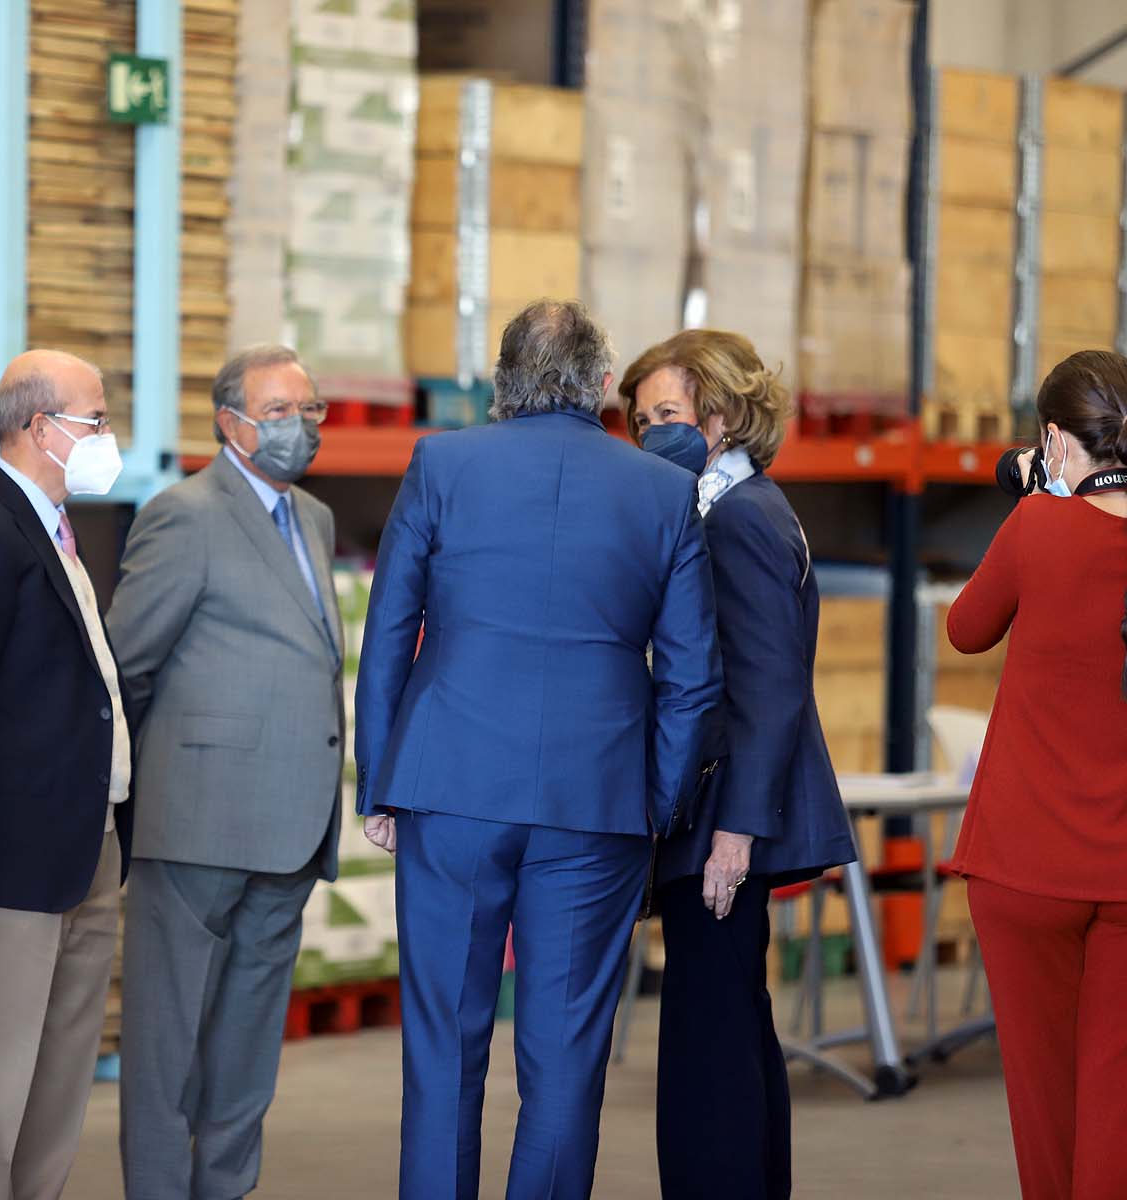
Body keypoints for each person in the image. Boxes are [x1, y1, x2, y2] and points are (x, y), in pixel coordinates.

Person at [355, 299, 721, 1200]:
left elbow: (388, 628)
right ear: (603, 386)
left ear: (500, 384)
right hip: (594, 806)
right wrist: (656, 808)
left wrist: (380, 784)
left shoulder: (442, 462)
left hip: (450, 789)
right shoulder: (663, 491)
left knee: (443, 1049)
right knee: (564, 1063)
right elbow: (691, 680)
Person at [621, 330, 858, 1199]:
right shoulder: (730, 508)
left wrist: (735, 832)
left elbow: (769, 688)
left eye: (670, 416)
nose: (650, 435)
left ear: (718, 418)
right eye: (642, 420)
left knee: (706, 1039)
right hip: (721, 809)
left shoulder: (741, 518)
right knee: (731, 1024)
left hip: (724, 819)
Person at [108, 344, 344, 1200]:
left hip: (289, 828)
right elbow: (127, 664)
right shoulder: (185, 513)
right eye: (279, 411)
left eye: (309, 410)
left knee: (245, 1050)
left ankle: (226, 1190)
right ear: (230, 422)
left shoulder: (311, 519)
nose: (299, 428)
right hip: (198, 822)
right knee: (169, 1045)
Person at [0, 349, 132, 1200]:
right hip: (9, 860)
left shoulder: (57, 532)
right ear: (41, 428)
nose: (108, 435)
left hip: (89, 843)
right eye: (97, 418)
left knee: (59, 1072)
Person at [944, 349, 1127, 1200]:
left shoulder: (1038, 527)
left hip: (1026, 864)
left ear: (1054, 440)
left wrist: (1038, 503)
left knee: (1044, 1103)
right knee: (1114, 1104)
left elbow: (967, 629)